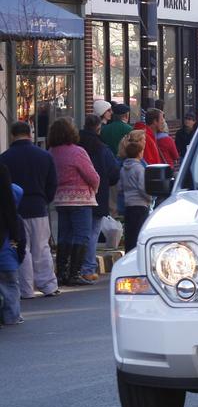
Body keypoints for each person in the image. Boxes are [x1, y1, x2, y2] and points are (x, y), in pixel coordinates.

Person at [0, 121, 60, 299]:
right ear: (30, 134)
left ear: (12, 135)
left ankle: (26, 289)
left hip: (15, 209)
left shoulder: (4, 158)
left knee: (21, 248)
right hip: (38, 206)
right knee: (41, 247)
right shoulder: (44, 156)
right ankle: (48, 285)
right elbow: (52, 184)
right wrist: (44, 199)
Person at [48, 117, 100, 286]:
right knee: (82, 235)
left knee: (64, 235)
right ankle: (75, 273)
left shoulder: (52, 152)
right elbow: (92, 176)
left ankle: (61, 272)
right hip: (80, 199)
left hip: (61, 198)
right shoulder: (77, 152)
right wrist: (95, 188)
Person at [78, 114, 120, 282]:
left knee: (75, 233)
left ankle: (73, 267)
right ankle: (87, 267)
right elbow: (114, 171)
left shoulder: (75, 146)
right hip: (97, 195)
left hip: (71, 197)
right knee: (92, 232)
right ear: (98, 128)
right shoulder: (102, 149)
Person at [0, 165, 25, 327]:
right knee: (10, 287)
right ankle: (12, 317)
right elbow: (21, 241)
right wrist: (19, 256)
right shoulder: (15, 219)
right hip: (9, 259)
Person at [121, 139, 151, 252]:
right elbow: (142, 187)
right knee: (139, 233)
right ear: (139, 153)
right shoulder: (139, 168)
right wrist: (149, 198)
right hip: (140, 204)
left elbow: (120, 187)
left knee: (130, 234)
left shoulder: (123, 168)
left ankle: (128, 254)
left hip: (128, 204)